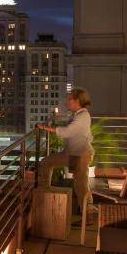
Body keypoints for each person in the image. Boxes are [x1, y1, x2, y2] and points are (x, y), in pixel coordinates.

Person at [36, 88, 95, 216]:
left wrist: (45, 127)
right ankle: (44, 192)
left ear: (77, 100)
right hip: (72, 153)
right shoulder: (77, 114)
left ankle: (89, 214)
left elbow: (68, 131)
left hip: (81, 155)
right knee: (47, 162)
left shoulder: (83, 115)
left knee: (81, 186)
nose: (66, 101)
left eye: (69, 99)